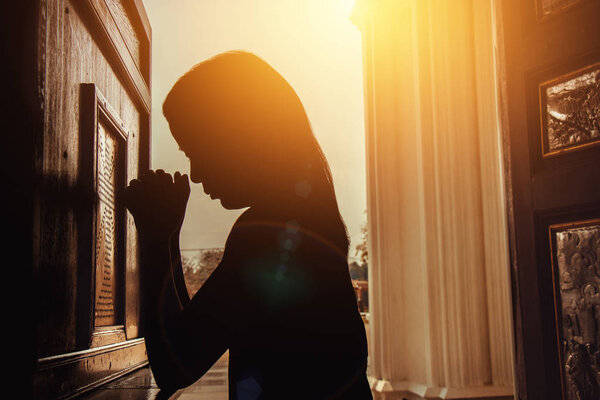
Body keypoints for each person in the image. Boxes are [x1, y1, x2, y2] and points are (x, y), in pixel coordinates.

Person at [123, 50, 372, 399]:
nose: (194, 173)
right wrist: (167, 234)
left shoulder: (267, 234)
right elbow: (188, 331)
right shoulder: (304, 217)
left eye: (195, 149)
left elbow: (175, 365)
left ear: (235, 137)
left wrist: (153, 236)